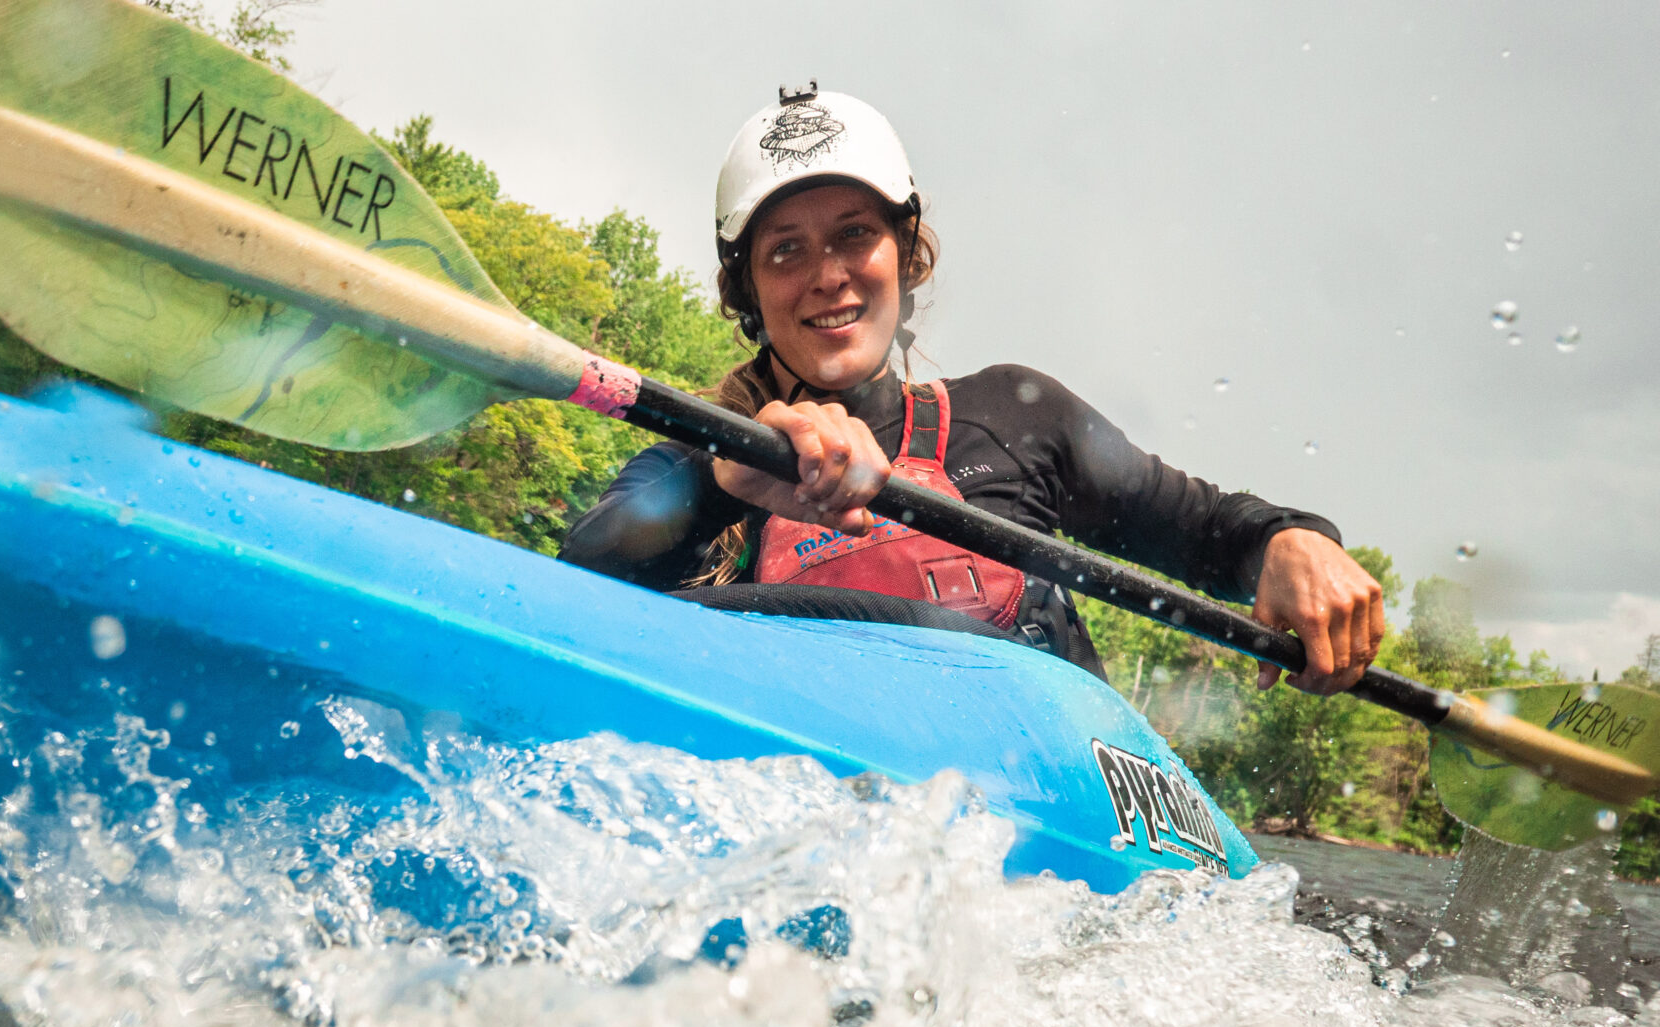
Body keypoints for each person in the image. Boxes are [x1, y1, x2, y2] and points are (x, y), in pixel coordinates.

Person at [560, 85, 1386, 692]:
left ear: (905, 252)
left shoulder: (1015, 418)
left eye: (855, 235)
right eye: (785, 250)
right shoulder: (696, 464)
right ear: (746, 289)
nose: (828, 276)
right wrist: (724, 483)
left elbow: (1209, 533)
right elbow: (575, 586)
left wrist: (1291, 540)